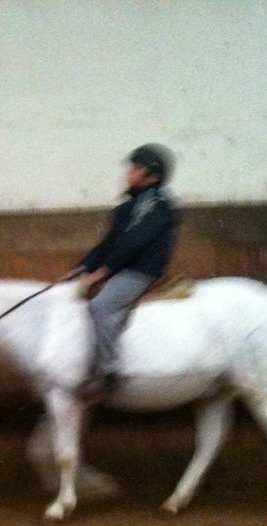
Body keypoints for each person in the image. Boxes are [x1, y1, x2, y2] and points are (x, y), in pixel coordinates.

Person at [63, 143, 179, 399]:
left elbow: (134, 242)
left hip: (140, 271)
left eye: (137, 168)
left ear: (153, 177)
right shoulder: (127, 207)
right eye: (132, 167)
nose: (129, 173)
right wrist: (81, 267)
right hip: (123, 266)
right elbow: (109, 243)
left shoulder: (159, 207)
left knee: (100, 307)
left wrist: (103, 271)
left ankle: (108, 372)